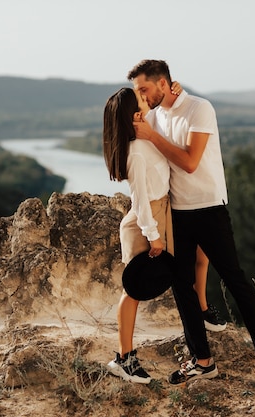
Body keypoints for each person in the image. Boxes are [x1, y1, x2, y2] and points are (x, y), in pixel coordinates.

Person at [128, 59, 255, 392]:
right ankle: (203, 362)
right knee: (181, 286)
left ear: (162, 83)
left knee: (234, 280)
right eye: (136, 91)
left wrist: (152, 135)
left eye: (143, 89)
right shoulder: (154, 116)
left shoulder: (199, 109)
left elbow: (189, 162)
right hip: (177, 214)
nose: (140, 96)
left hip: (210, 208)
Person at [102, 87, 170, 383]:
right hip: (146, 222)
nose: (147, 101)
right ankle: (124, 358)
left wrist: (176, 89)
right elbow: (141, 201)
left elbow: (163, 110)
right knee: (133, 290)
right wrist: (154, 235)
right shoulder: (137, 153)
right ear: (134, 114)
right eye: (141, 99)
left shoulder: (143, 138)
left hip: (159, 214)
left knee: (150, 283)